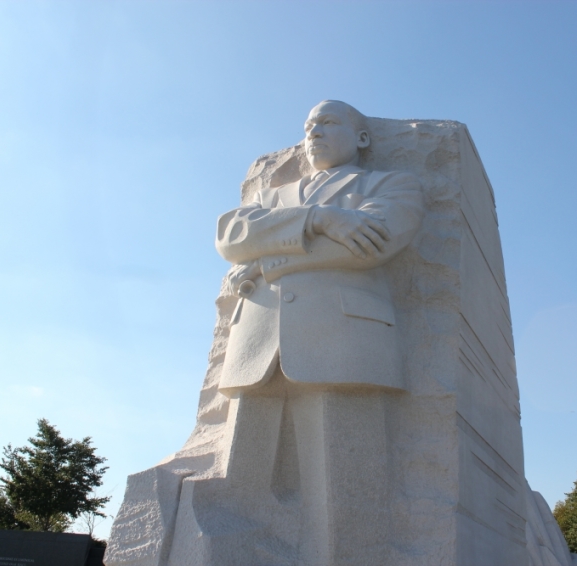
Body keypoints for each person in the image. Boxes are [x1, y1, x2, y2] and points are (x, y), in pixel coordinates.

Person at [172, 101, 424, 565]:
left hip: (345, 347)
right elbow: (231, 235)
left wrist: (267, 260)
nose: (315, 131)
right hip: (257, 348)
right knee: (238, 491)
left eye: (328, 122)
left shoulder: (389, 184)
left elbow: (375, 243)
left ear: (362, 137)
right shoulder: (272, 196)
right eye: (309, 125)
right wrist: (320, 220)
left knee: (346, 494)